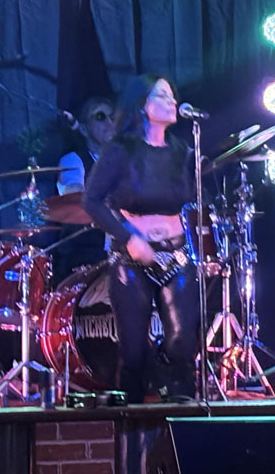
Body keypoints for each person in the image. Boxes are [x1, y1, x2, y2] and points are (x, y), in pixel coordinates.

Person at [83, 75, 199, 402]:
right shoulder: (121, 150)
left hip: (176, 256)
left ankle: (181, 416)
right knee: (133, 351)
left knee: (181, 344)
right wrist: (128, 238)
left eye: (173, 95)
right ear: (143, 106)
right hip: (131, 259)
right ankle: (132, 421)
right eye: (162, 96)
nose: (172, 102)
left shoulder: (183, 152)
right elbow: (91, 200)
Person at [54, 97, 116, 284]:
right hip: (85, 257)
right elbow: (76, 197)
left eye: (112, 117)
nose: (109, 123)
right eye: (100, 117)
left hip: (123, 252)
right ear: (83, 129)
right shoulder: (73, 160)